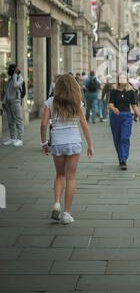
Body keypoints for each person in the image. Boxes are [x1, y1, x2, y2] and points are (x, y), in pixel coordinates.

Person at [40, 74, 94, 224]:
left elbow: (44, 124)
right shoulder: (77, 103)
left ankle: (57, 203)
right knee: (71, 177)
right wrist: (90, 144)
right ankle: (66, 214)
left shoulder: (50, 102)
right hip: (73, 142)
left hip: (57, 142)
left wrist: (44, 143)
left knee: (59, 175)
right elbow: (84, 125)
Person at [108, 72, 140, 170]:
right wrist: (114, 109)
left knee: (124, 137)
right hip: (115, 116)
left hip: (127, 116)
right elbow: (110, 104)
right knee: (117, 138)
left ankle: (123, 159)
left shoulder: (130, 92)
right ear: (117, 79)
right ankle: (121, 157)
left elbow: (134, 105)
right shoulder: (113, 91)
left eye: (124, 78)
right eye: (120, 78)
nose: (122, 79)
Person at [2, 64, 24, 147]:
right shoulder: (10, 79)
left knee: (18, 120)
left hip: (16, 101)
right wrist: (4, 102)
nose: (11, 70)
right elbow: (6, 91)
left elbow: (15, 85)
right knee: (10, 121)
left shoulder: (20, 78)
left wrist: (15, 74)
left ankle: (20, 139)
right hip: (8, 102)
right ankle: (12, 138)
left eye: (13, 69)